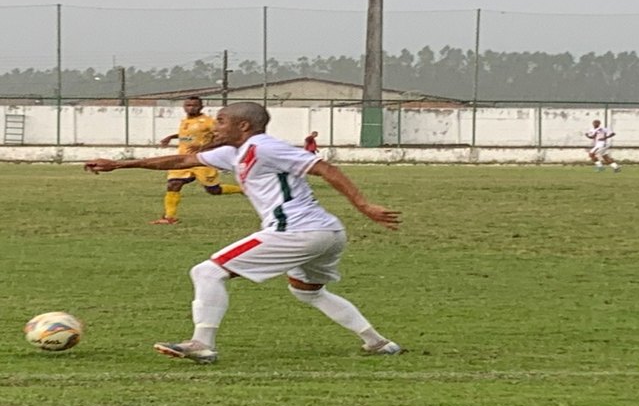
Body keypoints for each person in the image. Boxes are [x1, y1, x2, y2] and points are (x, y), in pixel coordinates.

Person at [85, 102, 402, 363]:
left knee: (207, 272)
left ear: (244, 127)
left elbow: (323, 168)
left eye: (221, 121)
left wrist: (363, 205)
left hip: (296, 231)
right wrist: (119, 165)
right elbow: (182, 158)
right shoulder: (233, 152)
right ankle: (377, 342)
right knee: (307, 291)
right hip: (326, 233)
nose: (215, 126)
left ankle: (201, 344)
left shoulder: (264, 147)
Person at [151, 96, 243, 225]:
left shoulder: (208, 122)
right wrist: (171, 137)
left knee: (213, 190)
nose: (191, 108)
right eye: (188, 105)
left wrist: (202, 147)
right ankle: (169, 217)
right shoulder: (185, 121)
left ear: (201, 107)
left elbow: (223, 138)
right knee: (173, 184)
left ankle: (242, 190)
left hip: (202, 160)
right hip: (182, 160)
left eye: (194, 105)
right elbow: (188, 136)